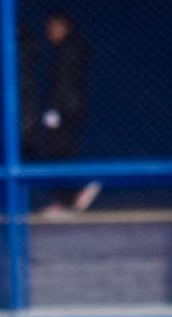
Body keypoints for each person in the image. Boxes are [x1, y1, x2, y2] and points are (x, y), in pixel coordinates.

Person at [23, 12, 99, 213]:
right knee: (57, 153)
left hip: (65, 112)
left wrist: (55, 111)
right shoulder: (63, 50)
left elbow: (64, 86)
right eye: (48, 28)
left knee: (59, 153)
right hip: (67, 111)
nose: (50, 33)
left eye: (54, 28)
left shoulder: (68, 51)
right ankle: (68, 199)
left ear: (65, 27)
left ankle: (69, 199)